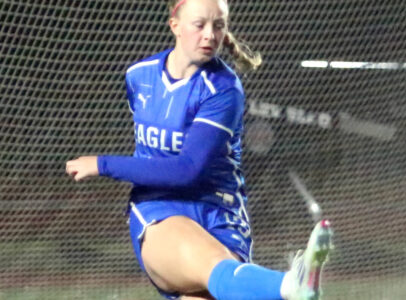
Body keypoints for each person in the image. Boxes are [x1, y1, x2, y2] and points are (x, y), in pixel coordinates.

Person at [65, 0, 333, 299]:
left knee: (217, 282)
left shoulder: (224, 89)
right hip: (160, 207)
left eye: (218, 25)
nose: (210, 35)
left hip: (220, 211)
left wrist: (102, 164)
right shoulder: (139, 76)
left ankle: (290, 286)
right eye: (199, 24)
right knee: (212, 268)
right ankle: (290, 285)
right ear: (175, 25)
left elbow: (187, 169)